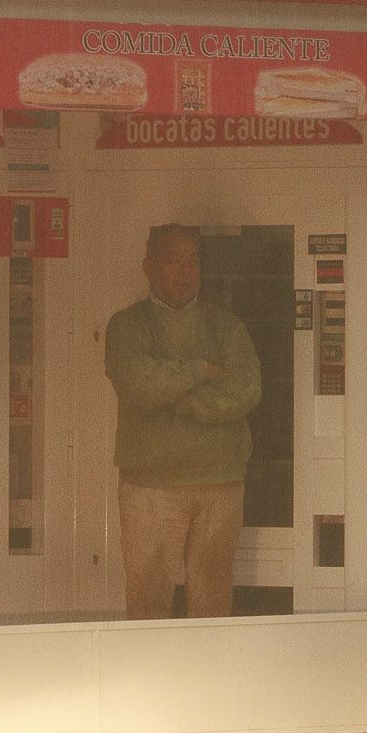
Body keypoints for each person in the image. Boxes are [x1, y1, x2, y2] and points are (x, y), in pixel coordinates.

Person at [105, 224, 262, 620]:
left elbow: (245, 390)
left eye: (193, 260)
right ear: (148, 267)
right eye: (173, 260)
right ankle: (150, 682)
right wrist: (201, 370)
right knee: (147, 602)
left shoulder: (226, 326)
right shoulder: (126, 326)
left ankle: (207, 682)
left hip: (220, 484)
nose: (185, 270)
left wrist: (178, 400)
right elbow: (140, 384)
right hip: (150, 487)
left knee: (212, 602)